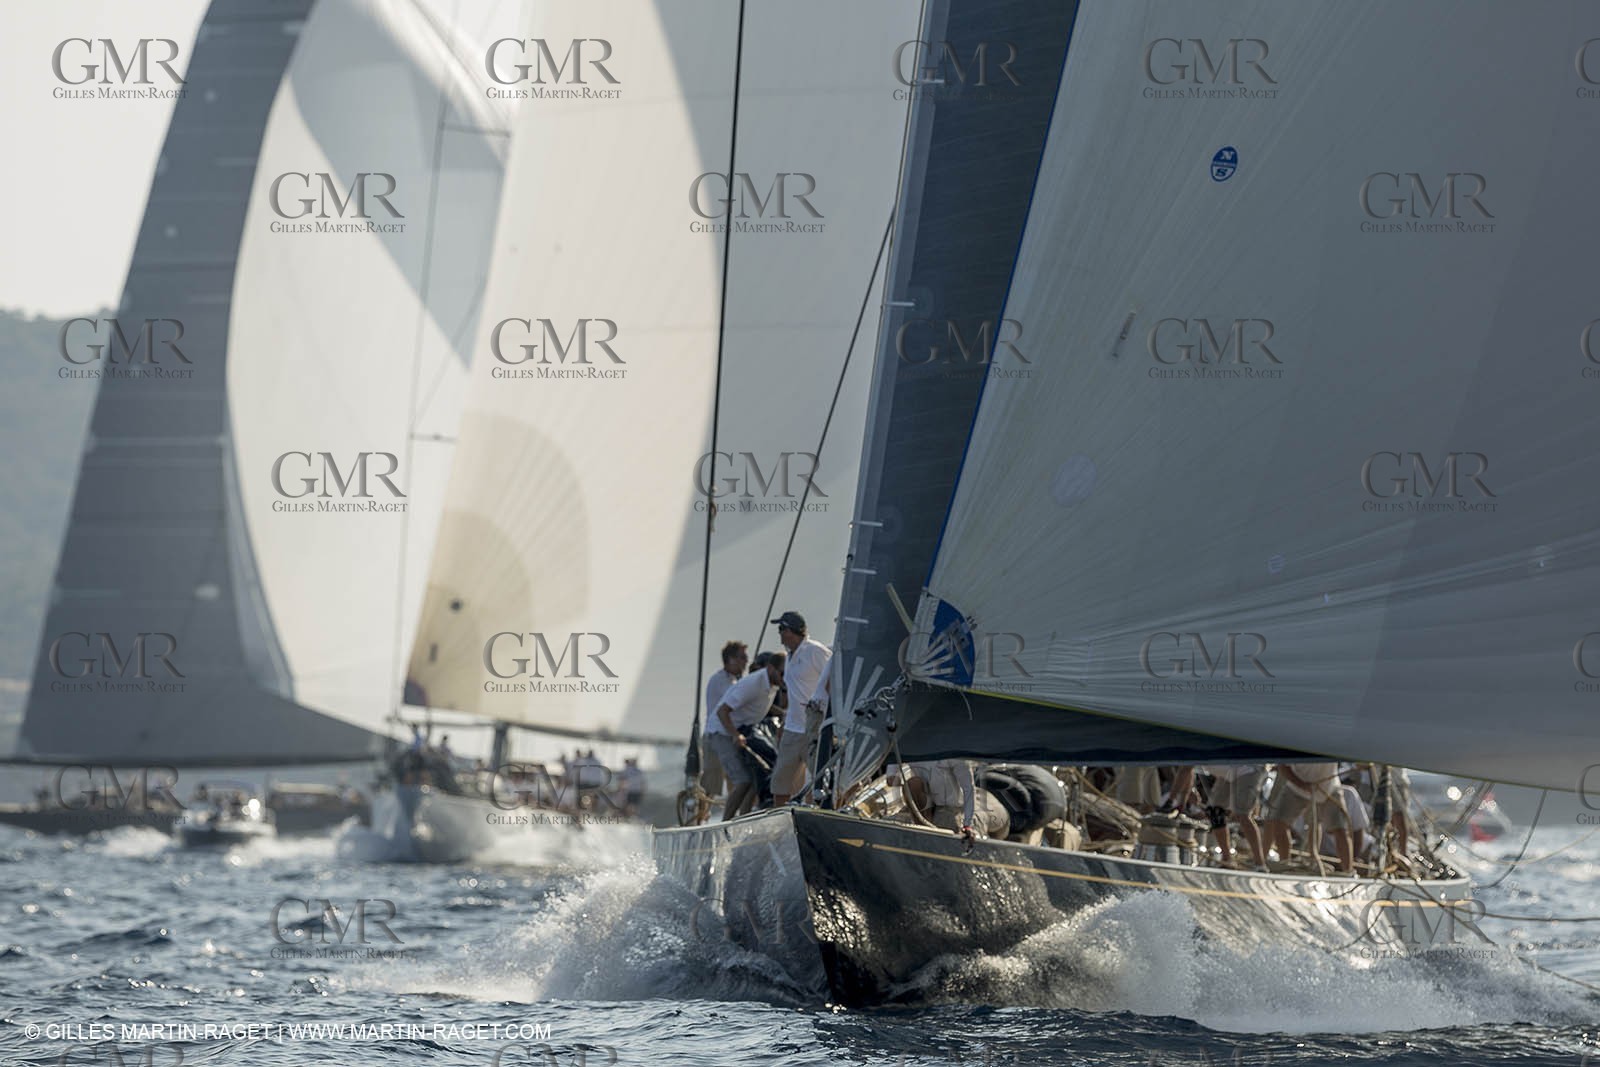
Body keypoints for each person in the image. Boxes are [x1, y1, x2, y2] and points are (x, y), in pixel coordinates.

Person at [706, 651, 785, 821]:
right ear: (771, 668)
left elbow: (760, 705)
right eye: (782, 673)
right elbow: (722, 711)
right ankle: (726, 823)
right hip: (722, 731)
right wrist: (736, 735)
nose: (785, 678)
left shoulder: (772, 684)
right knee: (743, 780)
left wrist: (784, 713)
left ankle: (744, 819)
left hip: (742, 729)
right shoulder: (755, 682)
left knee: (755, 779)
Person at [769, 611, 831, 806]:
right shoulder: (789, 655)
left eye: (781, 629)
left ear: (791, 631)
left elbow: (834, 677)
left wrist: (823, 708)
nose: (779, 634)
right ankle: (780, 824)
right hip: (792, 728)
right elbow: (794, 692)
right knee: (780, 783)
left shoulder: (815, 651)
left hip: (815, 727)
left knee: (821, 780)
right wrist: (785, 721)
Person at [1263, 763, 1353, 873]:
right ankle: (1285, 865)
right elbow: (1283, 767)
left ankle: (1348, 872)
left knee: (1340, 830)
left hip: (1328, 787)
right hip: (1296, 786)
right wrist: (1302, 785)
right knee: (1278, 823)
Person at [696, 641, 748, 821]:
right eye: (742, 657)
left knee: (733, 779)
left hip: (727, 737)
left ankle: (731, 818)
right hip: (715, 737)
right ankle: (700, 817)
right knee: (711, 781)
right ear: (731, 660)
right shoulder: (720, 680)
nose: (746, 661)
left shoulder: (736, 681)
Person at [1200, 764, 1266, 869]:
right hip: (1228, 773)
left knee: (1242, 814)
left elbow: (1185, 770)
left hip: (1248, 768)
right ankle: (1227, 858)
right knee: (1214, 811)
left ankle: (1260, 863)